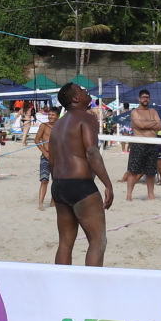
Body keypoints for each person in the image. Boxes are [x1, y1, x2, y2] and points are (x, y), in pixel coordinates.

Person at [44, 83, 115, 266]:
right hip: (80, 185)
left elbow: (52, 159)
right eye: (82, 90)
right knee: (97, 242)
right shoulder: (87, 118)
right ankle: (91, 290)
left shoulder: (58, 124)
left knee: (65, 244)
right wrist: (108, 184)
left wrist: (58, 185)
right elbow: (92, 151)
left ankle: (62, 288)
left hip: (59, 184)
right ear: (75, 99)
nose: (86, 91)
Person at [122, 101, 161, 202]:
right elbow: (140, 125)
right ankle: (129, 196)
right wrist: (152, 123)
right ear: (139, 99)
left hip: (152, 142)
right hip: (138, 142)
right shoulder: (135, 112)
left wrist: (146, 124)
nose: (145, 99)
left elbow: (159, 125)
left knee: (151, 171)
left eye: (147, 97)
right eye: (143, 97)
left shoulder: (153, 111)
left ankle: (151, 195)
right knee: (133, 171)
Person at [32, 109, 56, 210]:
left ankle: (53, 201)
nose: (50, 116)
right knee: (44, 180)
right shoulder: (44, 126)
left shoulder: (60, 126)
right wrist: (45, 152)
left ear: (57, 116)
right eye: (49, 114)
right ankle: (41, 203)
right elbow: (36, 140)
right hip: (46, 156)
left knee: (56, 180)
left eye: (53, 115)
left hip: (57, 157)